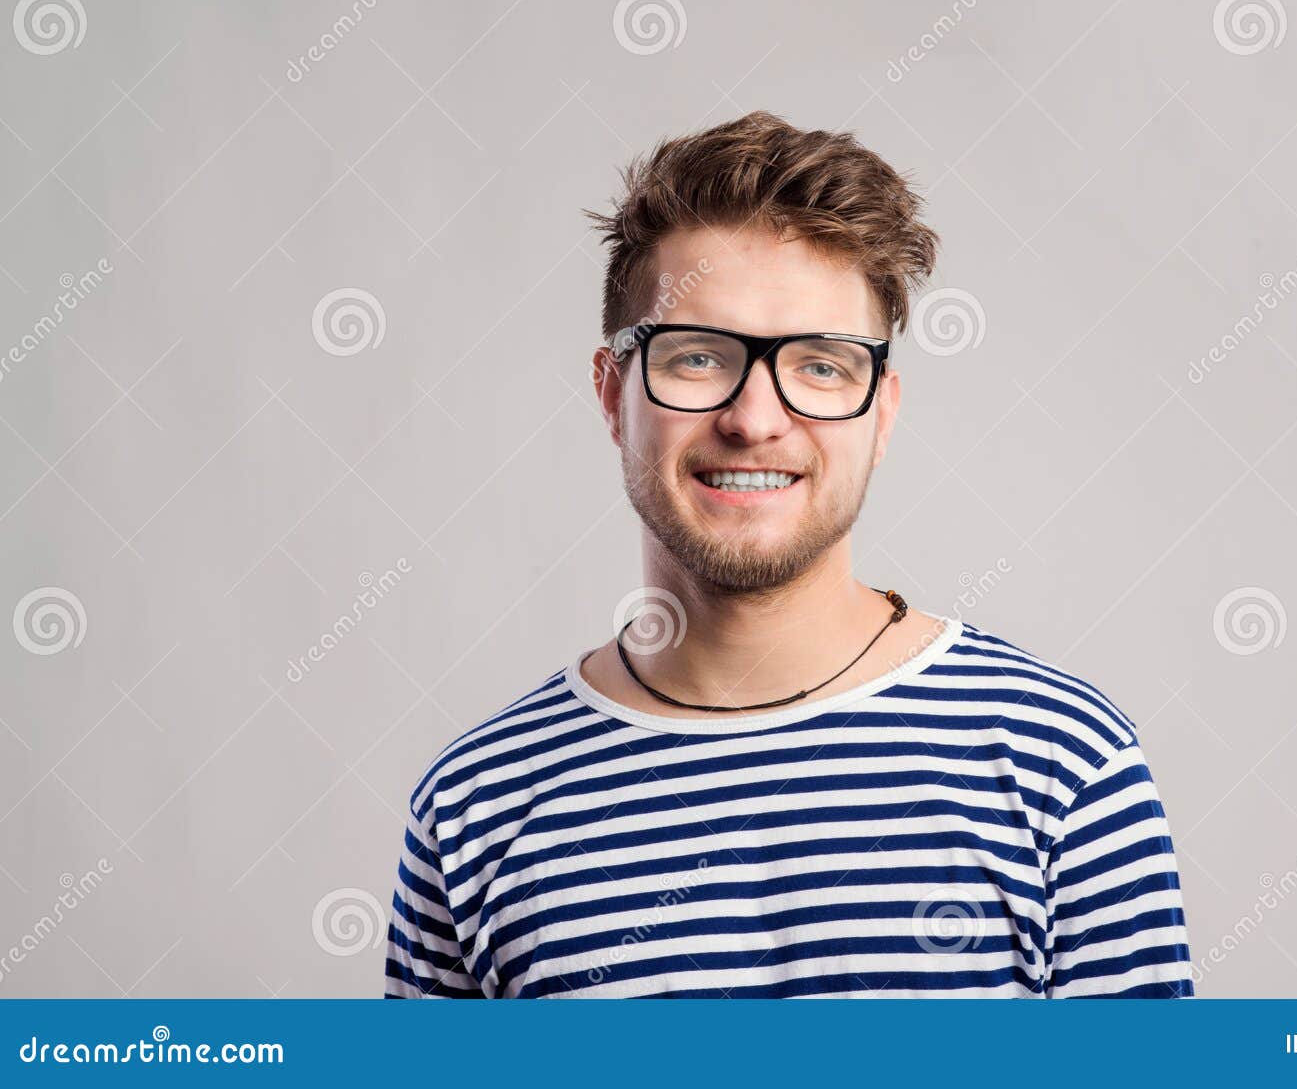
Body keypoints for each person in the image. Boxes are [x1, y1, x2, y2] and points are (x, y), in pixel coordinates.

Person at [384, 111, 1193, 998]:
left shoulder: (1060, 763)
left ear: (881, 413)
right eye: (696, 357)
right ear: (614, 395)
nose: (755, 418)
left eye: (820, 365)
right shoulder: (476, 808)